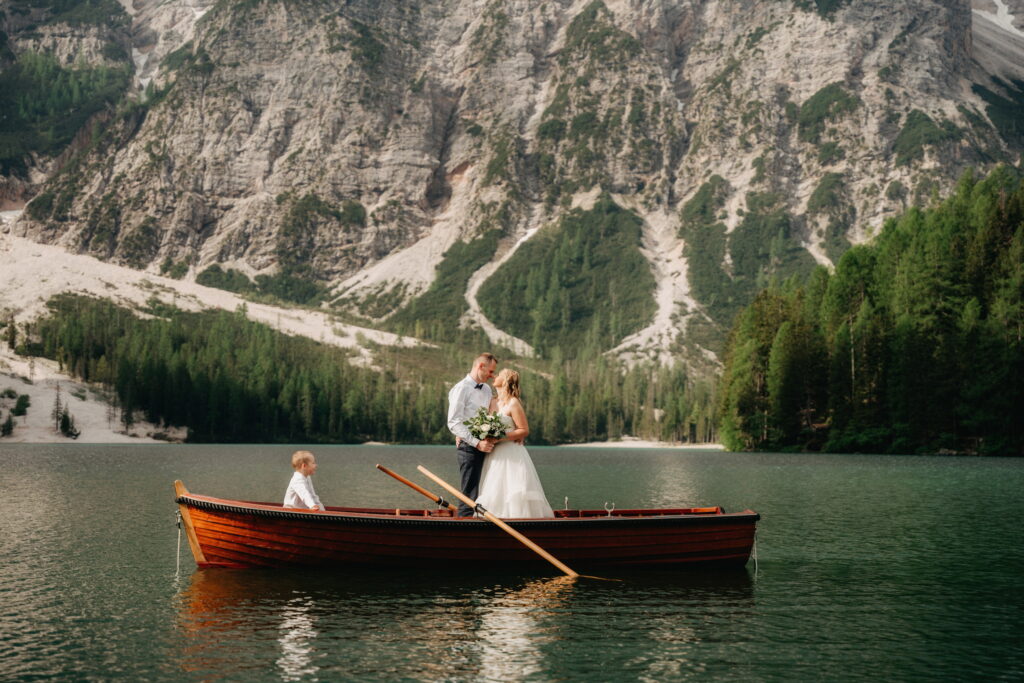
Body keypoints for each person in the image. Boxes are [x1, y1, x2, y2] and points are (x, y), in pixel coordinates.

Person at [476, 369, 554, 518]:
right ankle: (492, 519)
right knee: (494, 488)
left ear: (505, 380)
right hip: (494, 454)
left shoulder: (513, 402)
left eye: (499, 374)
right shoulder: (492, 401)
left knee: (513, 490)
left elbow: (524, 430)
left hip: (511, 453)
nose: (495, 376)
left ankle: (517, 519)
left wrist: (500, 437)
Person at [447, 352, 498, 517]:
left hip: (486, 447)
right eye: (491, 371)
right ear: (480, 366)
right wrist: (476, 443)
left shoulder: (487, 389)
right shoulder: (461, 388)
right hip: (469, 447)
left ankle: (480, 521)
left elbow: (489, 416)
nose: (492, 376)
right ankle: (465, 525)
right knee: (469, 492)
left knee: (484, 490)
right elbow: (454, 422)